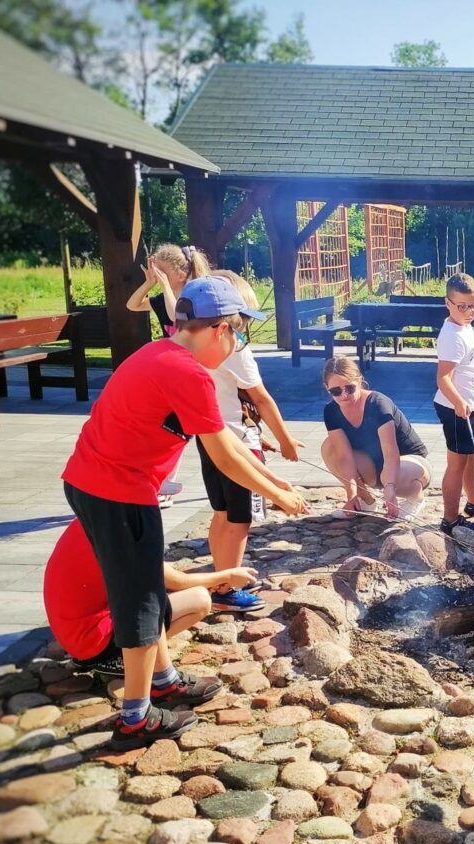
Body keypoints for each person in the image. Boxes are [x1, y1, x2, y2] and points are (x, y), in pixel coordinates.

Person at [59, 275, 307, 750]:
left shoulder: (165, 354)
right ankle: (135, 717)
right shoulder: (185, 371)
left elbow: (225, 437)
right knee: (140, 600)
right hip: (117, 491)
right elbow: (223, 456)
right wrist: (278, 499)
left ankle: (165, 680)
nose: (236, 342)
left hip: (99, 482)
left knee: (145, 587)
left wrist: (276, 481)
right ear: (219, 330)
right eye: (236, 332)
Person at [195, 270, 305, 612]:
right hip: (235, 442)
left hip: (208, 436)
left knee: (221, 513)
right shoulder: (236, 348)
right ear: (229, 321)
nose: (245, 328)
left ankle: (220, 576)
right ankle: (226, 589)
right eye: (243, 319)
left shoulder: (196, 341)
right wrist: (285, 441)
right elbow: (261, 398)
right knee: (239, 519)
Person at [43, 517, 255, 693]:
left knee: (156, 593)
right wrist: (226, 576)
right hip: (94, 639)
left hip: (72, 634)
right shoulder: (122, 527)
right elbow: (177, 580)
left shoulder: (94, 519)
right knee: (200, 600)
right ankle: (125, 661)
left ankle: (108, 657)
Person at [126, 244, 213, 504]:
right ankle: (163, 483)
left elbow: (178, 317)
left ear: (180, 273)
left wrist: (164, 286)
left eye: (163, 271)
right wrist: (150, 283)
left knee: (191, 429)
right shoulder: (161, 300)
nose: (159, 275)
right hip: (172, 372)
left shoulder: (193, 296)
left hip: (195, 369)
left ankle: (166, 482)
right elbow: (132, 305)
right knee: (172, 429)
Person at [321, 355, 430, 519]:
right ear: (327, 388)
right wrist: (351, 494)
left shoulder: (377, 404)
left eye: (349, 388)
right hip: (373, 464)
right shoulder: (331, 411)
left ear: (359, 381)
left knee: (397, 476)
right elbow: (344, 457)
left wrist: (390, 487)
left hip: (409, 461)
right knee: (329, 447)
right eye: (336, 391)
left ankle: (416, 498)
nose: (344, 395)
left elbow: (390, 452)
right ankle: (365, 501)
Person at [434, 272, 474, 534]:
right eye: (463, 306)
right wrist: (459, 403)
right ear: (448, 303)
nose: (470, 311)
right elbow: (443, 379)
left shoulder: (464, 325)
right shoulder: (451, 336)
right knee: (457, 464)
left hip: (470, 405)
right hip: (455, 408)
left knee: (470, 457)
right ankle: (449, 519)